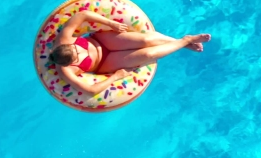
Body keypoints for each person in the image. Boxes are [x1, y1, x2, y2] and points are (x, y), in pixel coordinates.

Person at [48, 10, 211, 95]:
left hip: (102, 40)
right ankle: (185, 41)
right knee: (147, 55)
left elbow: (82, 15)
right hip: (105, 62)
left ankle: (182, 43)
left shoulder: (64, 39)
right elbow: (90, 90)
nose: (81, 51)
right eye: (78, 56)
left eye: (76, 47)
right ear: (70, 63)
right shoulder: (66, 72)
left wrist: (110, 23)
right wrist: (115, 77)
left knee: (146, 40)